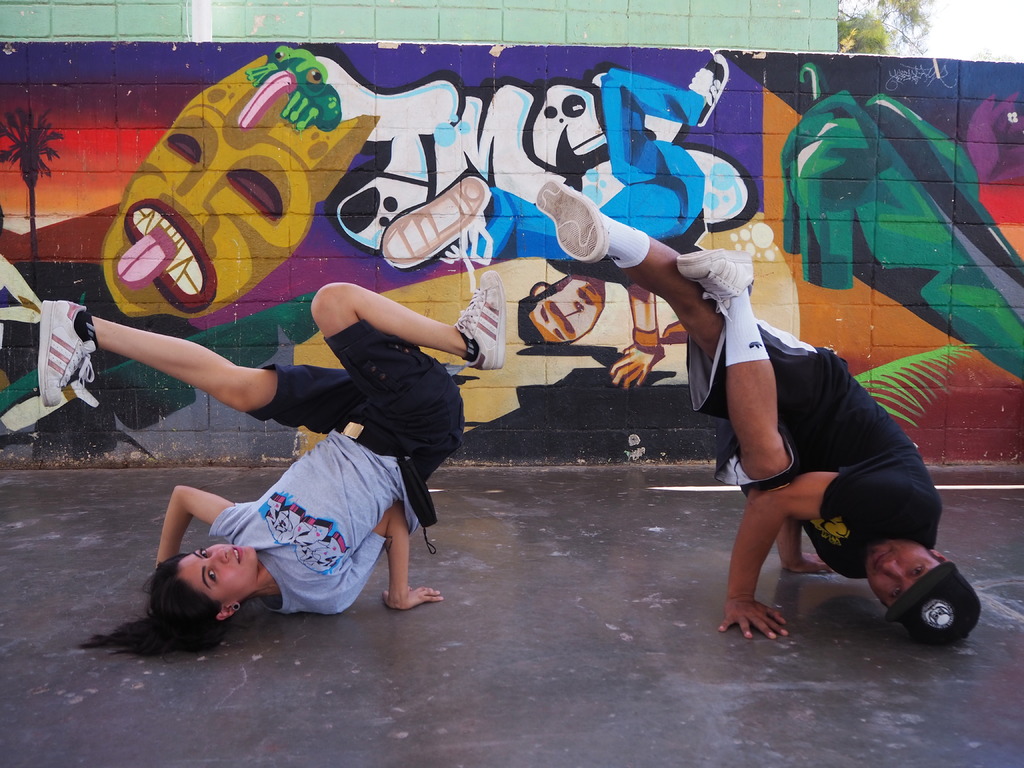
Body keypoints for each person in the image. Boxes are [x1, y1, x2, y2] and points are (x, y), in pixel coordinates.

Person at [535, 181, 981, 645]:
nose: (891, 570)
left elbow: (800, 502)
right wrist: (740, 597)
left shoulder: (854, 563)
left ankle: (611, 235)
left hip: (778, 430)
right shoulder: (904, 504)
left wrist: (792, 559)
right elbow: (774, 500)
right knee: (764, 462)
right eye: (915, 570)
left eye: (894, 592)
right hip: (817, 395)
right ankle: (736, 296)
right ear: (938, 556)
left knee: (693, 307)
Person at [36, 273, 507, 655]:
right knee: (334, 303)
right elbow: (394, 520)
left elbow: (183, 497)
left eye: (202, 555)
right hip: (416, 431)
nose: (217, 555)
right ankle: (469, 344)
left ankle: (85, 328)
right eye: (212, 575)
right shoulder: (322, 593)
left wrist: (168, 568)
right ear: (227, 610)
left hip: (353, 417)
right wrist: (399, 593)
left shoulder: (242, 533)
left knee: (236, 386)